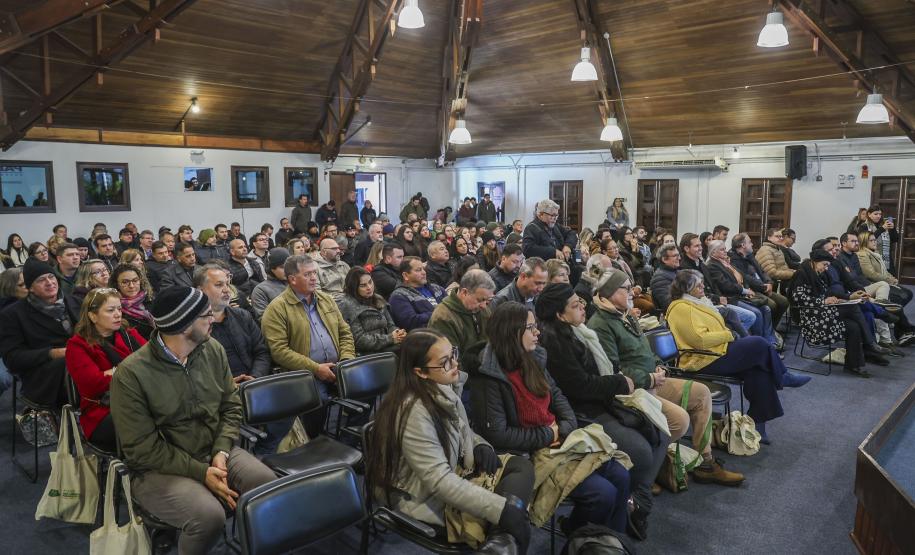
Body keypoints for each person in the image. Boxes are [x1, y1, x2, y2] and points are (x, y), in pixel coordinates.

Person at [110, 286, 277, 554]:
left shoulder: (211, 349)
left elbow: (231, 406)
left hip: (214, 449)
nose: (213, 319)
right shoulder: (132, 374)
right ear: (185, 324)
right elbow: (141, 449)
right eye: (206, 315)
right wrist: (201, 472)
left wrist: (221, 451)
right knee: (208, 517)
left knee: (267, 486)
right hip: (159, 468)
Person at [364, 328, 534, 553]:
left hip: (451, 470)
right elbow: (438, 482)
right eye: (445, 361)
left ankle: (501, 541)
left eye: (453, 354)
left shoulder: (440, 385)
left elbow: (459, 427)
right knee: (510, 513)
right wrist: (501, 510)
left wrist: (478, 443)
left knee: (521, 467)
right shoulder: (413, 411)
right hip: (422, 499)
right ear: (421, 372)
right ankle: (502, 540)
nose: (455, 363)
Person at [473, 302, 632, 534]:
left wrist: (566, 425)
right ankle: (581, 539)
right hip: (528, 454)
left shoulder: (533, 358)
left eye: (535, 326)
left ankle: (610, 541)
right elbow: (498, 434)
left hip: (559, 439)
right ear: (511, 332)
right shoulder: (488, 376)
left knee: (620, 474)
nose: (537, 332)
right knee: (602, 494)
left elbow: (556, 394)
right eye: (530, 328)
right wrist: (549, 434)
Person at [587, 269, 744, 485]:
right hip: (631, 391)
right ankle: (647, 468)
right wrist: (650, 378)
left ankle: (706, 463)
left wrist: (661, 367)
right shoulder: (601, 324)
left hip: (653, 380)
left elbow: (644, 351)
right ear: (610, 292)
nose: (632, 291)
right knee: (679, 420)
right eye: (626, 288)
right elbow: (614, 369)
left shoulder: (623, 314)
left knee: (701, 393)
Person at [535, 283, 665, 539]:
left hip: (604, 397)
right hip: (582, 411)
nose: (583, 306)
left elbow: (610, 366)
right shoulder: (554, 342)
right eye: (575, 305)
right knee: (641, 452)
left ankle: (635, 501)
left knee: (660, 429)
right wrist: (620, 382)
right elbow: (579, 387)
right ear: (560, 315)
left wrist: (625, 379)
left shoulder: (579, 331)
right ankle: (628, 506)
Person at [665, 270, 810, 443]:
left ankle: (757, 424)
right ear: (687, 289)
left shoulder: (698, 303)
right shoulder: (680, 308)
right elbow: (699, 340)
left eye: (702, 282)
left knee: (758, 370)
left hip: (717, 352)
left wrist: (726, 335)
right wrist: (729, 335)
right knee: (758, 343)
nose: (703, 286)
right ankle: (782, 375)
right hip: (701, 359)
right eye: (698, 285)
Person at [261, 255, 355, 436]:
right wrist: (316, 368)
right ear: (292, 279)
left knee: (365, 390)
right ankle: (317, 442)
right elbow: (279, 352)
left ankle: (347, 439)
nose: (314, 278)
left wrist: (347, 361)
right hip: (305, 374)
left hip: (338, 366)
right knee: (318, 401)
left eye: (314, 273)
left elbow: (345, 332)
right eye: (307, 274)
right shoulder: (277, 309)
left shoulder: (326, 299)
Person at [65, 288, 145, 451]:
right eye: (110, 310)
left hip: (140, 398)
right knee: (150, 423)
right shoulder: (78, 345)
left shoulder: (129, 333)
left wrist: (113, 371)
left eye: (119, 309)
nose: (118, 314)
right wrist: (132, 370)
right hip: (103, 411)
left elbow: (155, 361)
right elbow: (93, 385)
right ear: (92, 315)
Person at [788, 250, 876, 377]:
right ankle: (870, 343)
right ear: (814, 262)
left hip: (821, 312)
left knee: (853, 327)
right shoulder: (802, 274)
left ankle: (853, 366)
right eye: (824, 264)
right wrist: (823, 301)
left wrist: (844, 298)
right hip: (809, 316)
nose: (826, 268)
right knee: (852, 308)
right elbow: (798, 299)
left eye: (827, 265)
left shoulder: (818, 273)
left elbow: (826, 292)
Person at [0, 258, 72, 408]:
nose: (49, 282)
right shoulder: (13, 315)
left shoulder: (73, 302)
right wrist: (53, 353)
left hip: (80, 362)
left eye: (51, 277)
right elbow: (13, 358)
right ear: (30, 288)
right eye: (41, 280)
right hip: (45, 373)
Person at [195, 264, 270, 382]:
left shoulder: (243, 316)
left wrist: (255, 377)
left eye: (227, 284)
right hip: (220, 394)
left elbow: (262, 351)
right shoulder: (193, 327)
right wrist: (228, 385)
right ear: (200, 290)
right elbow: (198, 370)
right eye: (219, 285)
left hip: (255, 385)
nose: (226, 290)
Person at [429, 269, 495, 373]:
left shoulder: (481, 307)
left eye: (488, 300)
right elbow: (452, 362)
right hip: (464, 377)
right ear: (464, 292)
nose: (484, 305)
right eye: (480, 300)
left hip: (485, 368)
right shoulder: (443, 318)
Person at [338, 267, 405, 355]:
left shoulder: (377, 299)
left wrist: (399, 334)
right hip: (367, 353)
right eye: (363, 285)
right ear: (354, 287)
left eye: (370, 282)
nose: (369, 287)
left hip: (387, 346)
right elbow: (359, 340)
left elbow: (390, 324)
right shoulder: (347, 305)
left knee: (414, 342)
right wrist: (390, 338)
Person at [729, 233, 789, 327]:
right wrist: (764, 287)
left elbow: (762, 271)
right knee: (772, 305)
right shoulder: (734, 260)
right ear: (743, 245)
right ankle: (766, 331)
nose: (752, 244)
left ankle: (772, 328)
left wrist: (769, 282)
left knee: (784, 301)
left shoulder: (749, 255)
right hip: (752, 289)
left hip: (763, 286)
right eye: (750, 242)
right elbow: (746, 278)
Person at [857, 230, 914, 309]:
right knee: (901, 297)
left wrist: (892, 278)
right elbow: (870, 274)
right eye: (871, 240)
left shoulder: (875, 253)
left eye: (875, 240)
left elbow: (884, 271)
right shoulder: (862, 254)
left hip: (884, 281)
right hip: (875, 284)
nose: (875, 242)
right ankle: (891, 314)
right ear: (864, 242)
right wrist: (889, 280)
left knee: (909, 293)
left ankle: (894, 313)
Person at [389, 256, 447, 331]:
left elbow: (451, 309)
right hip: (426, 337)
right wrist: (438, 312)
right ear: (406, 275)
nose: (424, 272)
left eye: (423, 269)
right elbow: (411, 322)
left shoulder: (437, 288)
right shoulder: (399, 296)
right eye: (418, 270)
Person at [110, 264, 155, 339]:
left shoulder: (150, 298)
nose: (131, 286)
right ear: (116, 284)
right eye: (125, 282)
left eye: (135, 280)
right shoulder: (114, 309)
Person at [250, 248, 289, 321]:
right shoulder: (260, 290)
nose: (287, 270)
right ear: (272, 269)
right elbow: (264, 319)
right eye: (282, 267)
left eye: (289, 266)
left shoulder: (296, 283)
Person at [857, 206, 898, 274]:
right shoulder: (864, 226)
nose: (878, 216)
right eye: (876, 214)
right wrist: (882, 229)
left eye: (880, 214)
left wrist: (893, 229)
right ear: (869, 214)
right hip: (871, 259)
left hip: (886, 258)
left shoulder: (884, 225)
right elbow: (866, 240)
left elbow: (895, 239)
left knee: (892, 279)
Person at [648, 244, 680, 313]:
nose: (679, 258)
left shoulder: (676, 271)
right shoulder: (659, 278)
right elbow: (669, 305)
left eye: (678, 255)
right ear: (664, 259)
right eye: (675, 256)